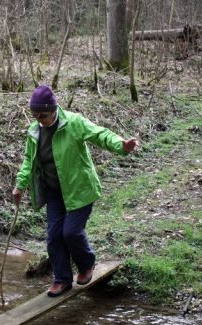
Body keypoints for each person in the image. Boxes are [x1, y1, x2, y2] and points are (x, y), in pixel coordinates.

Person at [12, 85, 140, 297]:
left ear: (53, 109)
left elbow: (100, 134)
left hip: (80, 189)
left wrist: (121, 145)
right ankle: (62, 279)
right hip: (55, 192)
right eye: (34, 115)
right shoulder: (34, 131)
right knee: (54, 237)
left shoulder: (73, 122)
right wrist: (20, 184)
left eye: (42, 115)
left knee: (70, 232)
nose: (38, 119)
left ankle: (86, 264)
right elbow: (29, 161)